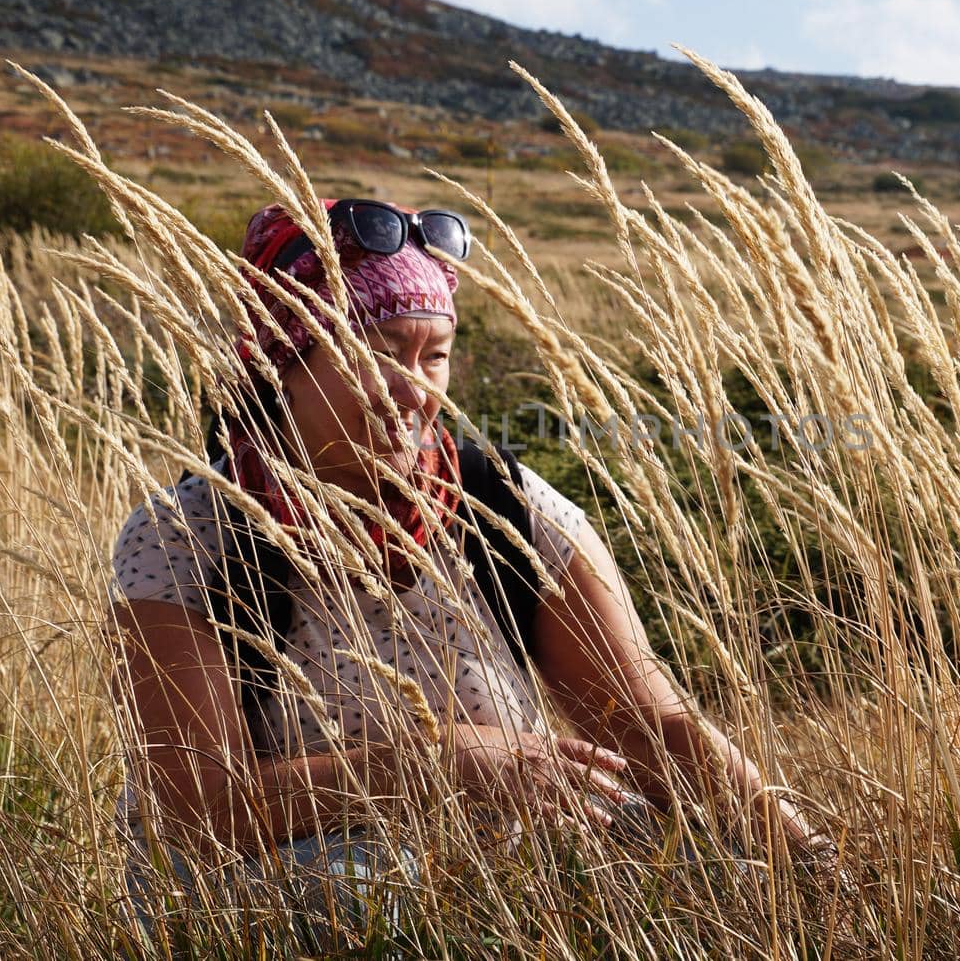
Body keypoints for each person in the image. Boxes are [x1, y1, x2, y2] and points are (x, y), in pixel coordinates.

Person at [107, 198, 831, 946]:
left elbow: (655, 727)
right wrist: (436, 762)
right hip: (263, 897)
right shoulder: (186, 535)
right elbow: (197, 813)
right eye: (379, 350)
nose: (414, 390)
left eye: (434, 354)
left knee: (702, 868)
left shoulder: (506, 508)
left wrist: (810, 864)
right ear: (283, 362)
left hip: (506, 883)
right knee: (364, 887)